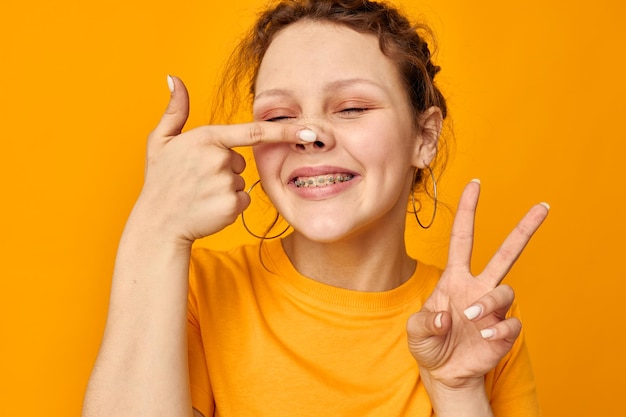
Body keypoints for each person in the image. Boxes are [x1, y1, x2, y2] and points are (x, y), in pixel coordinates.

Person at [82, 0, 549, 416]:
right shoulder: (194, 291)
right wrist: (154, 227)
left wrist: (459, 392)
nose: (309, 135)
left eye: (350, 108)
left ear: (424, 137)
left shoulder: (476, 323)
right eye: (279, 116)